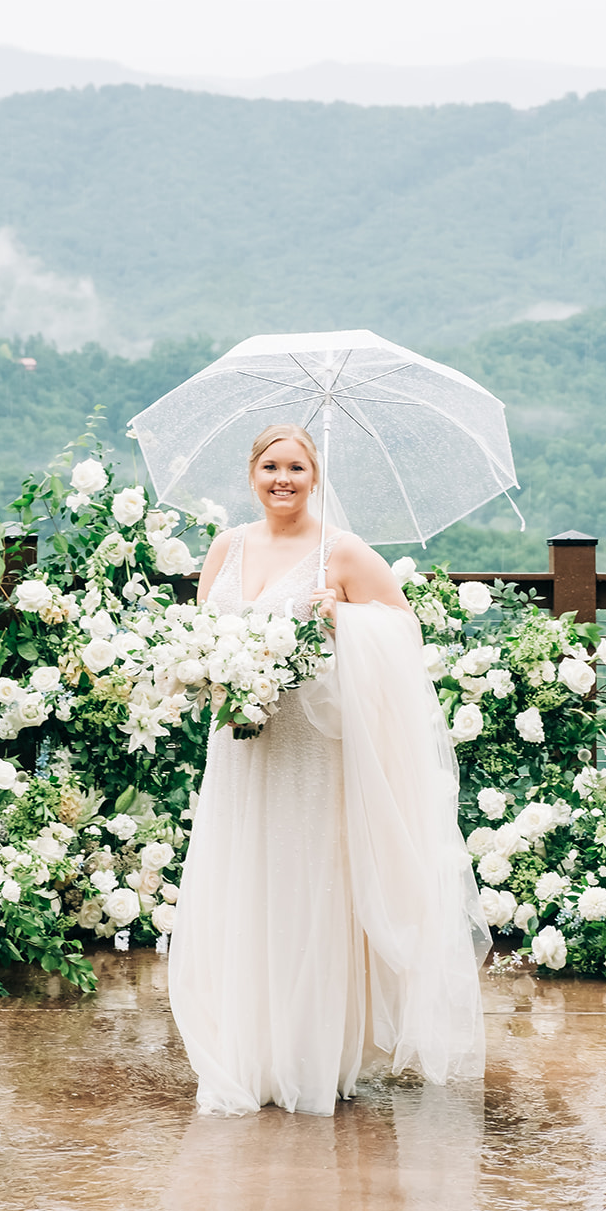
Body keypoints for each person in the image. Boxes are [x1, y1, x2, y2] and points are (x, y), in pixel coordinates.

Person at [168, 422, 489, 1117]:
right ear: (250, 475)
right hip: (239, 745)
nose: (282, 479)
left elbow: (402, 628)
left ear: (315, 477)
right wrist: (209, 677)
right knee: (242, 882)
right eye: (270, 467)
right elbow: (201, 634)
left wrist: (344, 618)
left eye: (296, 468)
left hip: (311, 747)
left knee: (304, 885)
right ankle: (246, 1051)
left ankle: (308, 1056)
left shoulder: (338, 551)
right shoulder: (225, 548)